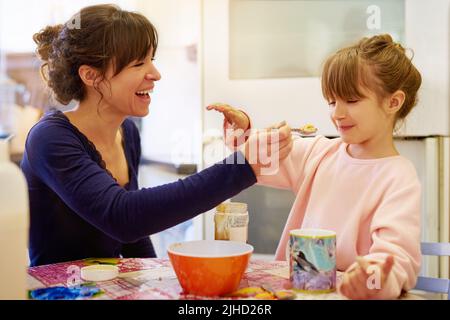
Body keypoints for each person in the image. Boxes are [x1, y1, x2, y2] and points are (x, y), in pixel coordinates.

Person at [21, 4, 293, 267]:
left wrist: (155, 278)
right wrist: (243, 166)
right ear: (91, 75)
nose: (156, 74)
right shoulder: (50, 139)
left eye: (152, 60)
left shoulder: (126, 132)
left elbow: (132, 239)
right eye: (139, 63)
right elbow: (123, 217)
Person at [208, 34, 422, 299]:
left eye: (352, 101)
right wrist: (243, 134)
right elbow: (263, 160)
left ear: (393, 102)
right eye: (332, 102)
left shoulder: (398, 177)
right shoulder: (320, 153)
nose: (337, 113)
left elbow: (397, 261)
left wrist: (372, 281)